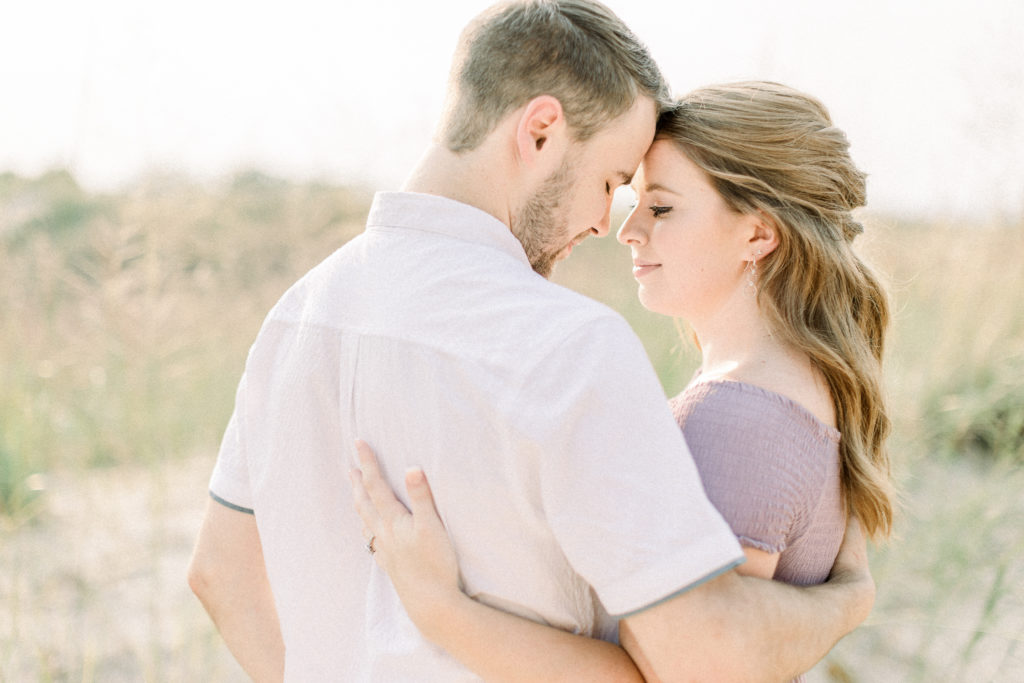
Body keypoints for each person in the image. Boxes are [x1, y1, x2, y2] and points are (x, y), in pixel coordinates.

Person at [187, 0, 875, 678]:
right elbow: (697, 659)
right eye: (609, 181)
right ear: (541, 130)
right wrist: (846, 602)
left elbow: (220, 575)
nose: (608, 222)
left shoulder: (296, 317)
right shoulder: (572, 348)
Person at [350, 81, 895, 682]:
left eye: (661, 208)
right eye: (630, 199)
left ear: (758, 235)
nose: (628, 229)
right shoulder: (779, 391)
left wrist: (441, 610)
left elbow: (689, 669)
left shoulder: (741, 416)